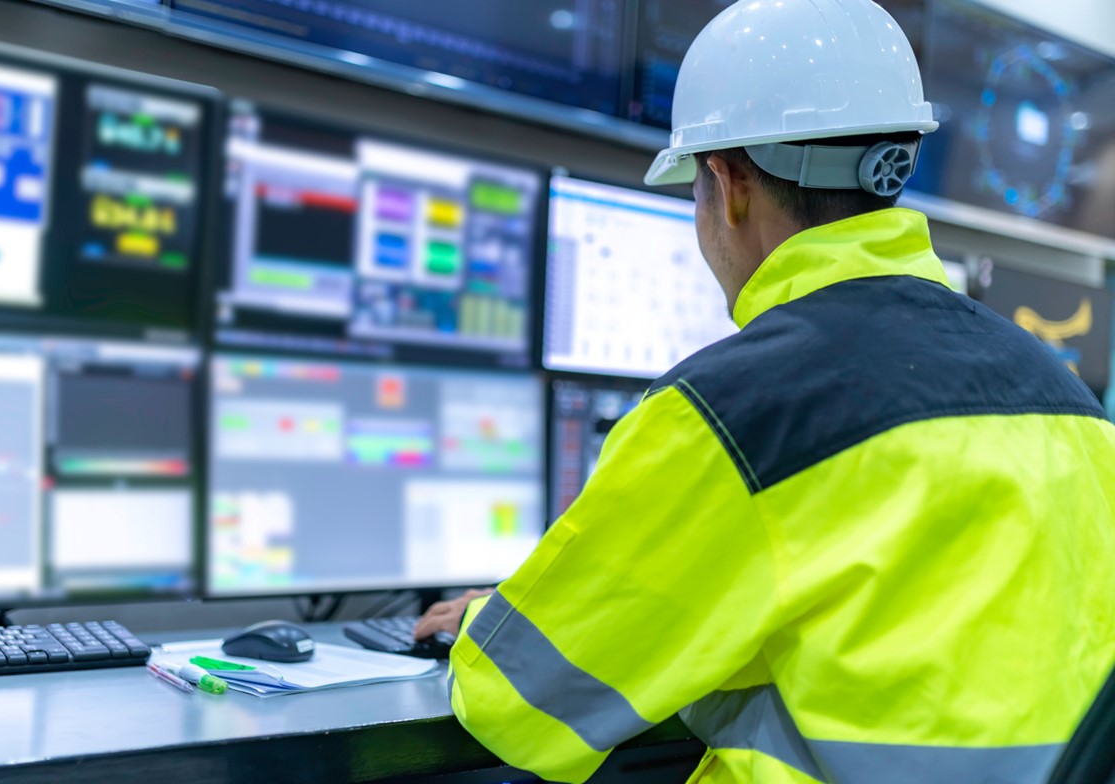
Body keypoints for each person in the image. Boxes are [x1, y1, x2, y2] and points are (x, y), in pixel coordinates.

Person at [413, 1, 1115, 782]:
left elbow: (522, 700)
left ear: (728, 184)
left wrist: (484, 622)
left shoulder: (733, 413)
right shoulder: (1072, 406)